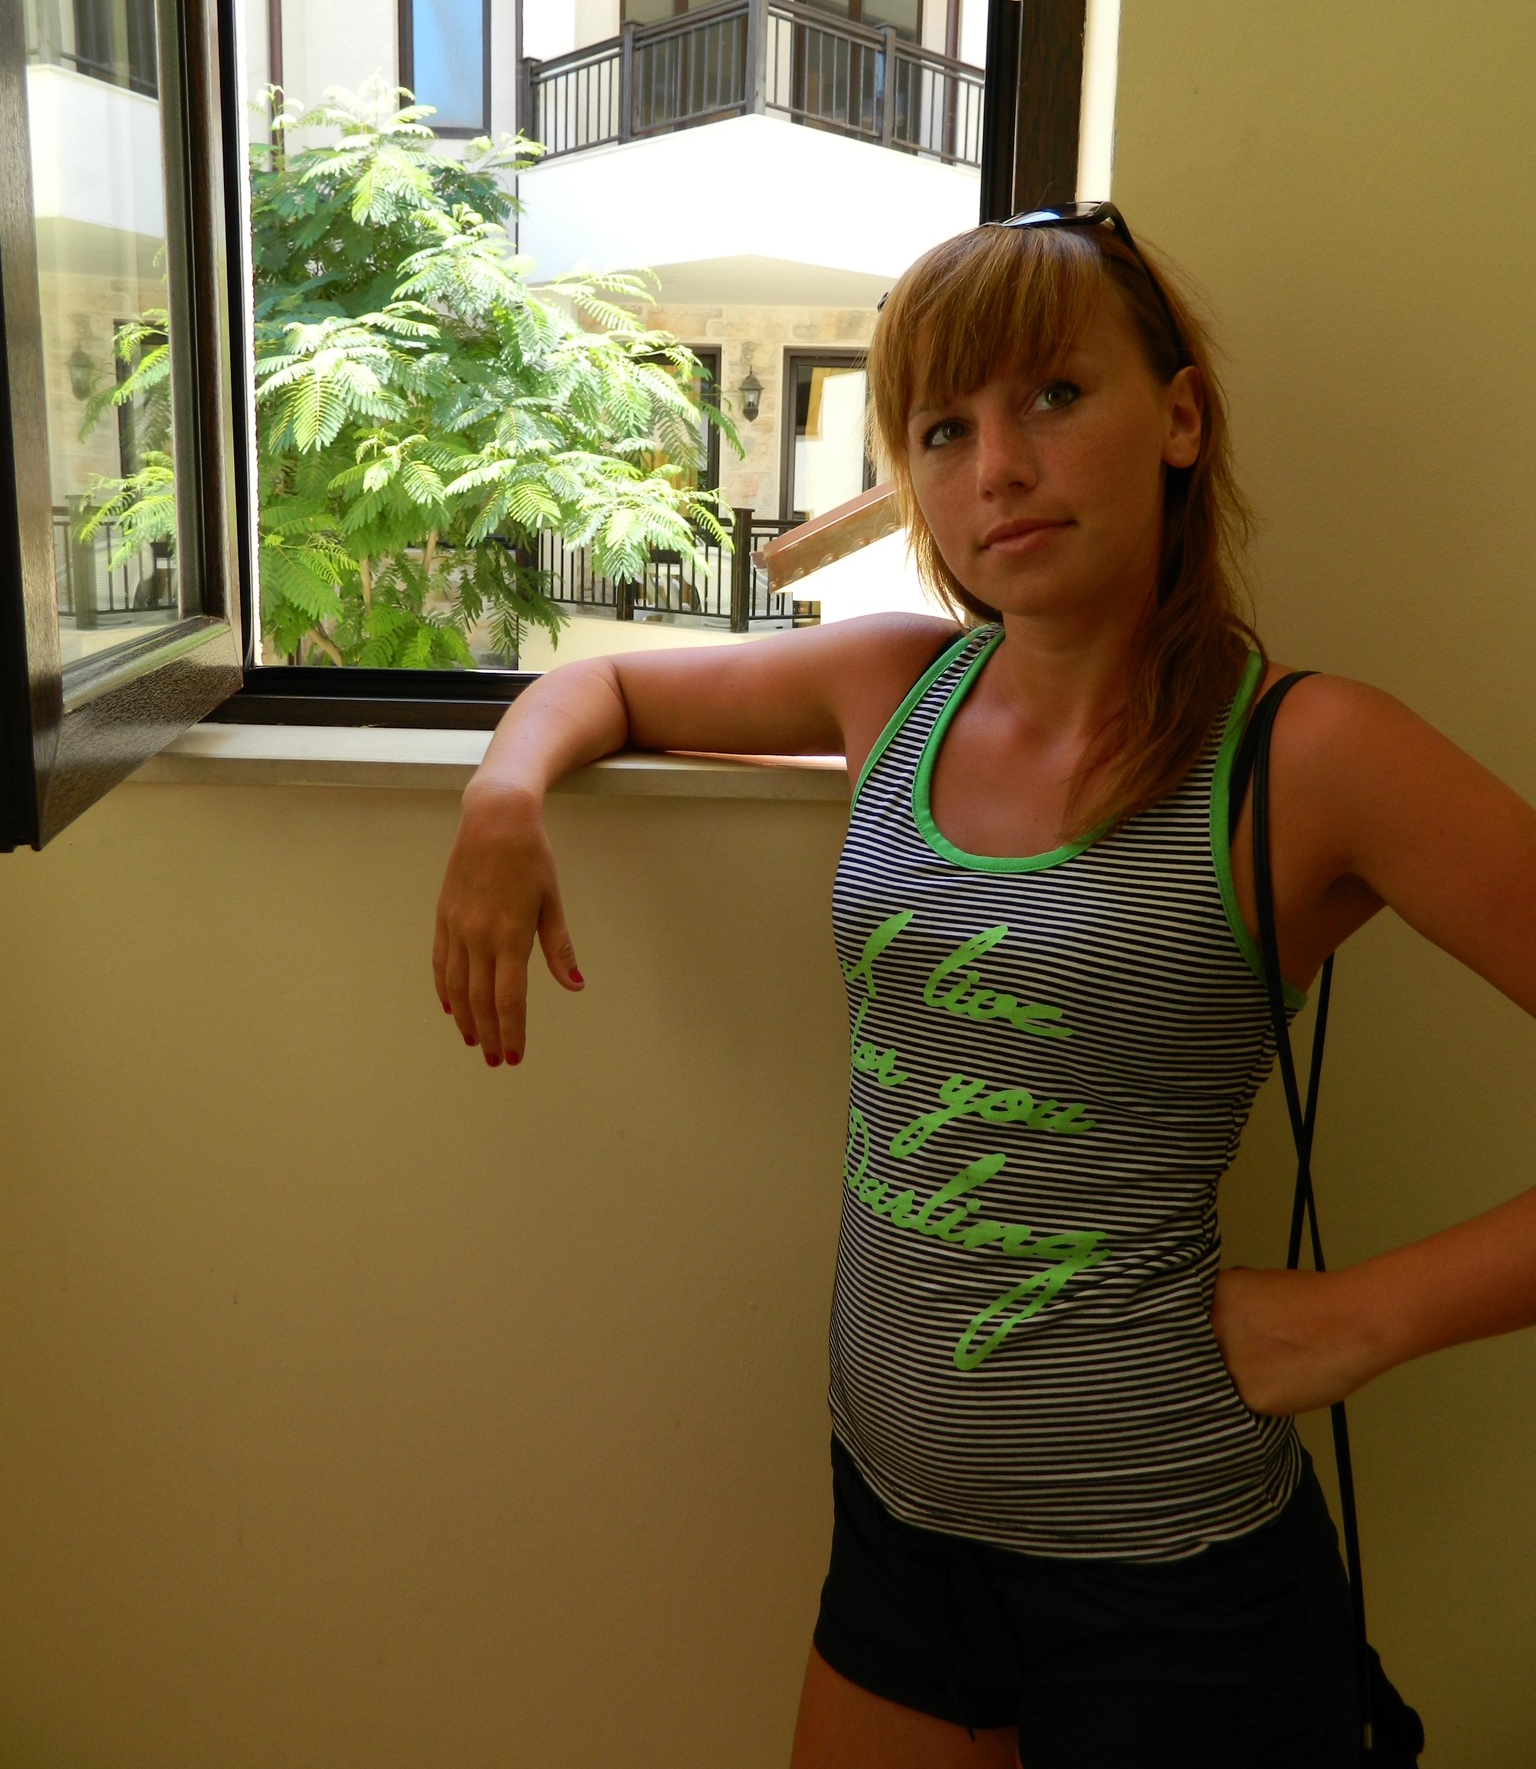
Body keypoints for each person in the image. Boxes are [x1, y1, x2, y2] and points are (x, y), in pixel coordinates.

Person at [433, 205, 1536, 1768]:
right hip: (898, 1534)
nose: (997, 468)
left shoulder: (1311, 756)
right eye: (944, 430)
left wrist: (1355, 1322)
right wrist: (503, 798)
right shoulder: (891, 683)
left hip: (1173, 1583)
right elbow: (599, 682)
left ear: (1179, 417)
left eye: (1054, 397)